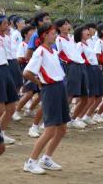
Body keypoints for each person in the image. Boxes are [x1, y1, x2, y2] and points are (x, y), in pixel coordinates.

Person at [23, 23, 70, 174]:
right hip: (50, 89)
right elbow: (27, 72)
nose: (55, 35)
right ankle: (31, 162)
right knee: (50, 129)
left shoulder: (53, 51)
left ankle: (46, 159)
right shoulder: (40, 52)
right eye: (52, 33)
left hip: (60, 87)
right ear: (44, 35)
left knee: (62, 128)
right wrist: (40, 83)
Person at [54, 18, 89, 129]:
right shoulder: (58, 39)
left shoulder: (71, 38)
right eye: (65, 24)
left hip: (81, 66)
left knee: (85, 96)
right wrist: (67, 63)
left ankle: (72, 119)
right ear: (59, 28)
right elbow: (58, 54)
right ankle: (57, 118)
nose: (68, 25)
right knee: (70, 94)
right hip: (72, 66)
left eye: (68, 23)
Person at [25, 11, 52, 138]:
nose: (49, 20)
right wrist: (36, 71)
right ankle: (35, 126)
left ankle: (46, 124)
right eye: (46, 19)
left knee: (49, 100)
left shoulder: (51, 36)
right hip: (42, 72)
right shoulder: (36, 36)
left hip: (53, 71)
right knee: (44, 99)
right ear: (40, 22)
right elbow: (29, 54)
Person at [75, 26, 103, 125]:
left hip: (95, 69)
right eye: (84, 31)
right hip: (87, 69)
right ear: (79, 33)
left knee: (98, 95)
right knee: (90, 96)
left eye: (87, 30)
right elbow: (78, 59)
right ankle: (79, 117)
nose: (87, 31)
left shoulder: (89, 44)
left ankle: (87, 116)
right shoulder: (79, 45)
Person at [15, 25, 41, 130]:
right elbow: (20, 58)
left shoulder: (36, 45)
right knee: (29, 92)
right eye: (31, 31)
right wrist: (27, 58)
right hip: (27, 70)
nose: (34, 32)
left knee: (40, 93)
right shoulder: (23, 44)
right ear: (26, 34)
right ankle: (16, 110)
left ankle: (29, 110)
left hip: (36, 70)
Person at [0, 15, 19, 145]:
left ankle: (2, 133)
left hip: (6, 68)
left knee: (11, 107)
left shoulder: (5, 38)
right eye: (5, 23)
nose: (8, 26)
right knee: (0, 108)